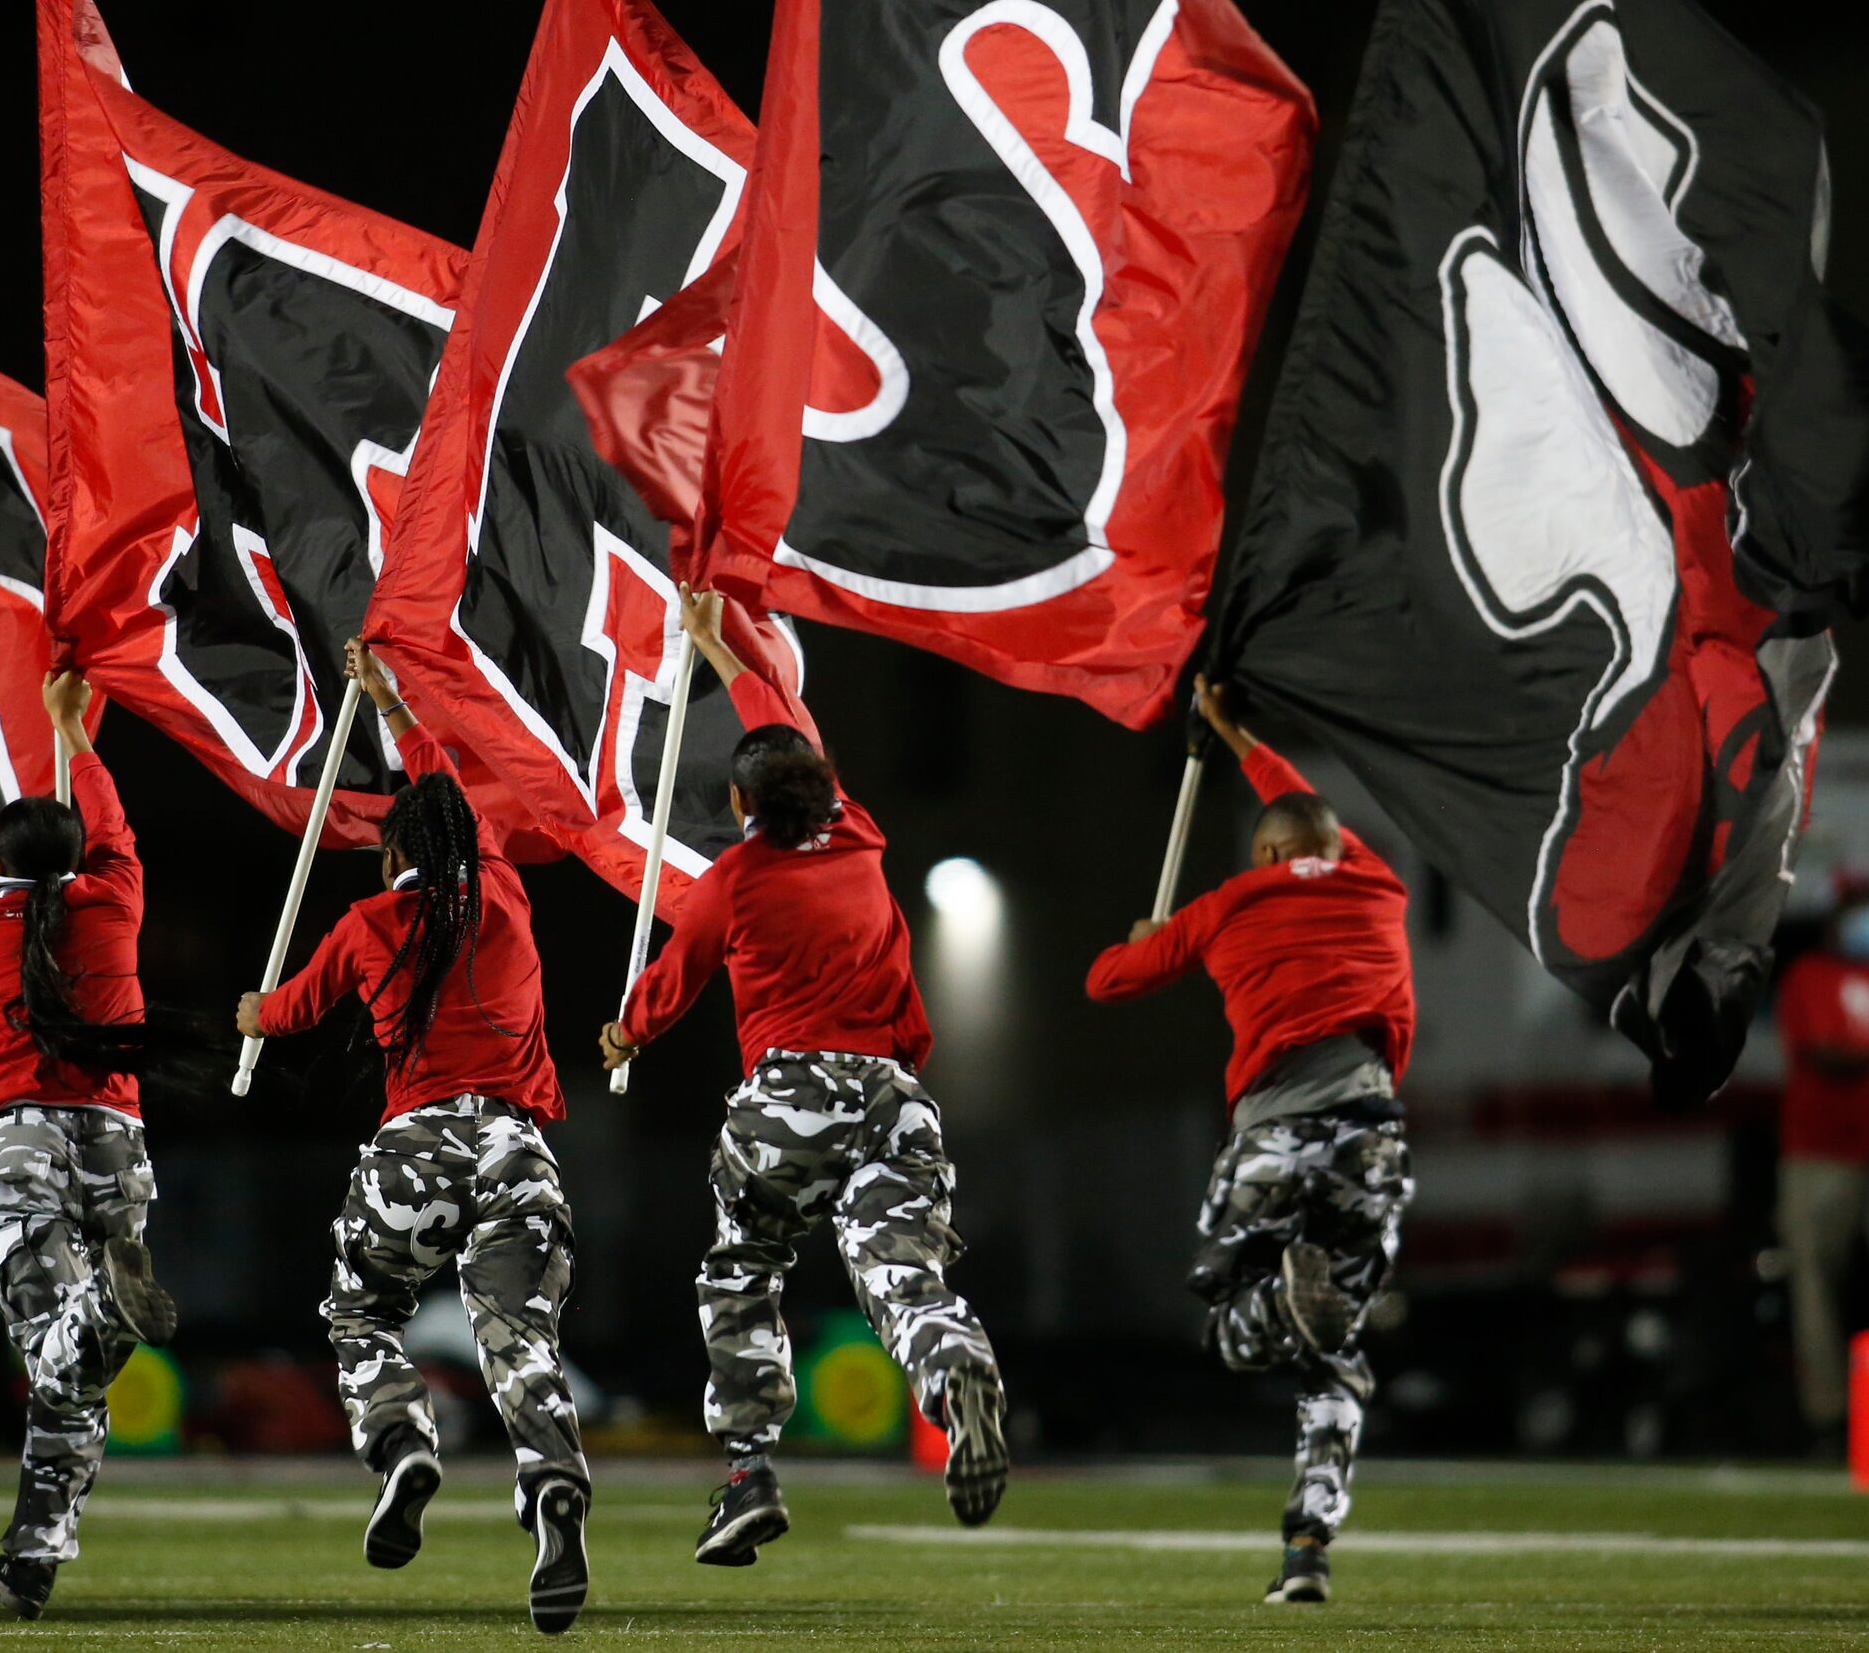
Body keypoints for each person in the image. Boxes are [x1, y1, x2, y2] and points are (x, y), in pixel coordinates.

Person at [600, 588, 1007, 1566]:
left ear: (739, 807)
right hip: (894, 1099)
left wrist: (625, 1036)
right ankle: (953, 1371)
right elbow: (779, 719)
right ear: (824, 793)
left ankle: (747, 1475)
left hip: (790, 1097)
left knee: (742, 1273)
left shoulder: (735, 881)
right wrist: (723, 645)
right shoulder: (860, 833)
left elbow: (676, 980)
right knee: (902, 1275)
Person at [238, 638, 590, 1637]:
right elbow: (444, 785)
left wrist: (250, 1014)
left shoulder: (362, 926)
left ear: (393, 857)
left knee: (361, 1314)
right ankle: (551, 1479)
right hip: (515, 1148)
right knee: (518, 1340)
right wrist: (393, 702)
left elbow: (292, 1014)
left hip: (415, 1148)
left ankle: (400, 1444)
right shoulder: (505, 897)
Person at [1085, 676, 1415, 1606]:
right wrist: (1237, 735)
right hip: (1370, 1142)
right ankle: (1307, 1545)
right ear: (1336, 848)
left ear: (1267, 853)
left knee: (1229, 1327)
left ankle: (1271, 1293)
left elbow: (1107, 984)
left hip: (1272, 1142)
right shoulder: (1377, 884)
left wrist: (1144, 938)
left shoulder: (1233, 902)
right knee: (1334, 1365)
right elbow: (1303, 811)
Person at [0, 670, 180, 1621]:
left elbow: (19, 888)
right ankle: (33, 1552)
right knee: (69, 1366)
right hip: (118, 1150)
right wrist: (73, 729)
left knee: (55, 1349)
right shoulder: (114, 903)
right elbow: (113, 832)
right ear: (79, 860)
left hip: (19, 1142)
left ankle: (104, 1311)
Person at [1770, 890, 1869, 1456]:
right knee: (1814, 1281)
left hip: (1856, 1148)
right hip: (1819, 1151)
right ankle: (1828, 1415)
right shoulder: (1810, 976)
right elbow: (1821, 1053)